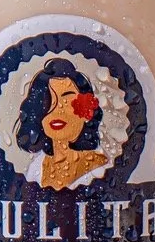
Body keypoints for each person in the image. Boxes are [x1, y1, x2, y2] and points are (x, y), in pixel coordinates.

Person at [15, 59, 107, 190]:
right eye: (47, 102)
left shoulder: (102, 168)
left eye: (67, 99)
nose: (57, 109)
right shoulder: (36, 169)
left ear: (87, 109)